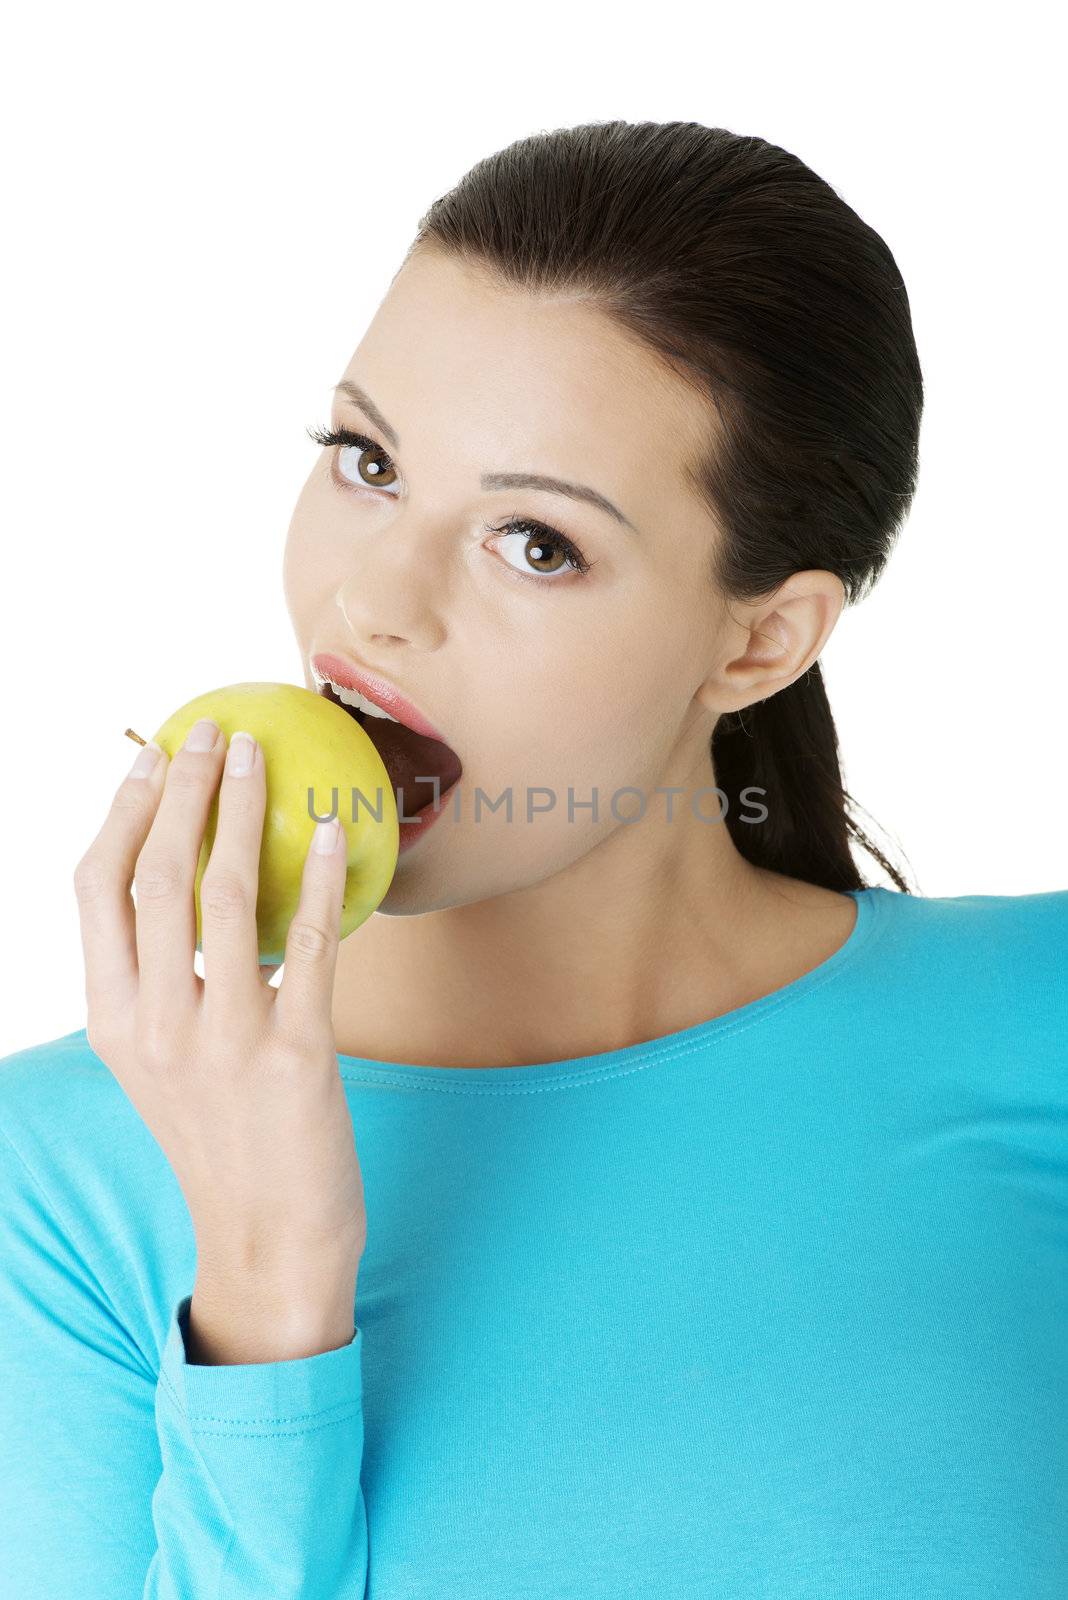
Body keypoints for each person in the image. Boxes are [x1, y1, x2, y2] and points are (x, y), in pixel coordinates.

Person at [1, 119, 1065, 1599]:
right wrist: (263, 1297)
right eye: (367, 461)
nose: (373, 598)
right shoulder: (53, 1178)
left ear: (761, 640)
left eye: (536, 543)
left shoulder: (1040, 1020)